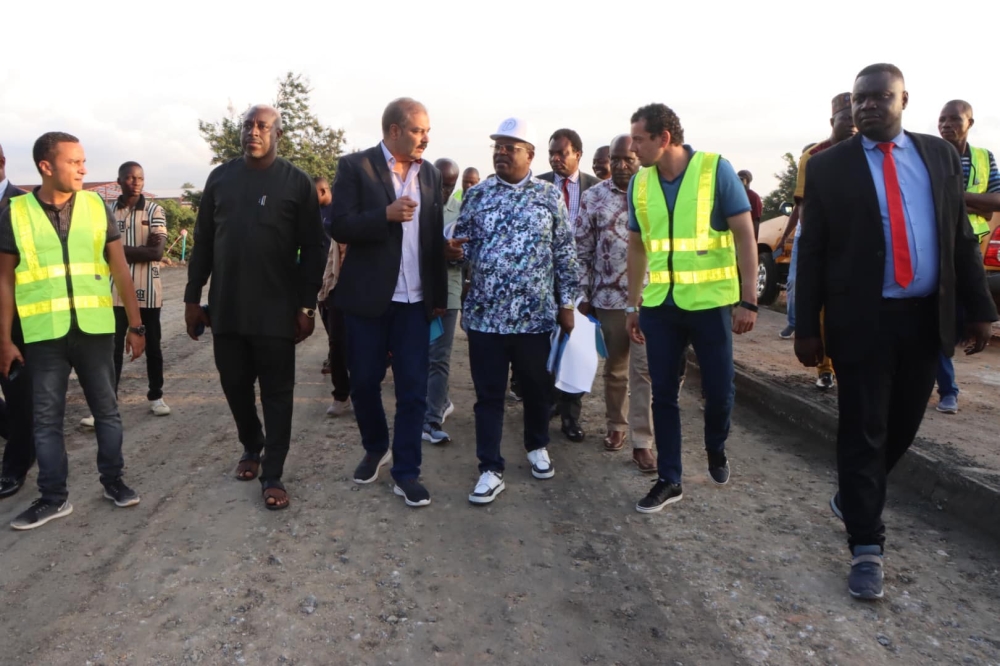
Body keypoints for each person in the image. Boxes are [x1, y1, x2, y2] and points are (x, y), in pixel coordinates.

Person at [795, 64, 998, 600]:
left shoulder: (937, 156)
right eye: (859, 99)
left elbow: (958, 236)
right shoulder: (829, 168)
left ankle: (855, 494)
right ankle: (867, 545)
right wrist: (805, 326)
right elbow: (812, 252)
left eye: (879, 97)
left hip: (925, 318)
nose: (866, 107)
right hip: (861, 321)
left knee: (903, 425)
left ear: (904, 99)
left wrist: (980, 310)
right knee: (862, 429)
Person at [0, 132, 147, 530]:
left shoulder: (96, 206)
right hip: (43, 334)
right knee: (45, 419)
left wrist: (136, 325)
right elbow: (5, 280)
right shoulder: (15, 211)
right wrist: (4, 340)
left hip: (95, 329)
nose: (84, 168)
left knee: (107, 412)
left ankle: (113, 481)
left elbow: (119, 268)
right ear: (46, 167)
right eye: (74, 161)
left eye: (84, 160)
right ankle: (53, 498)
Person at [184, 105, 325, 511]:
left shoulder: (296, 183)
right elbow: (204, 241)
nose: (254, 131)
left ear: (278, 134)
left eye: (263, 126)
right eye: (248, 125)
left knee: (278, 393)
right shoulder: (221, 178)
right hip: (226, 307)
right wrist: (193, 298)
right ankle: (252, 443)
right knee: (234, 386)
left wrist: (307, 306)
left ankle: (274, 472)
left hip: (277, 311)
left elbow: (313, 250)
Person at [625, 103, 759, 514]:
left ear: (664, 138)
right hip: (660, 307)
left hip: (712, 304)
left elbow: (744, 235)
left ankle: (716, 447)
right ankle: (670, 479)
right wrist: (633, 303)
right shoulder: (640, 184)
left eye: (639, 139)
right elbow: (636, 245)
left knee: (719, 391)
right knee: (663, 393)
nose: (633, 147)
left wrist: (749, 299)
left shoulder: (715, 170)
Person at [330, 97, 449, 508]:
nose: (425, 138)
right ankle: (376, 446)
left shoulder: (430, 174)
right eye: (418, 130)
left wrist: (438, 296)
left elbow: (431, 236)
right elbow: (337, 224)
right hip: (368, 300)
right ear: (394, 130)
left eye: (427, 131)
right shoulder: (355, 167)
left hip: (415, 302)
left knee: (413, 390)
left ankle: (406, 472)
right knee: (363, 382)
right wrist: (384, 215)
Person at [456, 117, 578, 505]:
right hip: (486, 319)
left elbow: (564, 252)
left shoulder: (547, 196)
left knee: (537, 389)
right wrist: (453, 252)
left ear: (530, 154)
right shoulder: (477, 195)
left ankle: (537, 445)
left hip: (534, 318)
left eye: (510, 147)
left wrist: (567, 303)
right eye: (497, 146)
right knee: (488, 395)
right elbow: (461, 247)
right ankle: (490, 469)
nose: (500, 152)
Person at [576, 135, 656, 473]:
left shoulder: (655, 193)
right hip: (608, 296)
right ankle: (616, 425)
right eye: (616, 159)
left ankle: (642, 442)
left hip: (650, 297)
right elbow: (581, 249)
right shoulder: (594, 197)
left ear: (639, 159)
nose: (622, 165)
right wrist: (582, 295)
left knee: (644, 371)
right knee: (616, 369)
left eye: (629, 159)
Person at [81, 161, 170, 428]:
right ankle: (106, 406)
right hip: (113, 293)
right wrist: (137, 249)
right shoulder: (105, 210)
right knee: (111, 350)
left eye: (139, 177)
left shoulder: (155, 210)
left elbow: (156, 253)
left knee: (153, 347)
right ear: (119, 180)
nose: (135, 182)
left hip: (148, 292)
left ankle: (156, 396)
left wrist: (116, 250)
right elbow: (95, 249)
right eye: (130, 177)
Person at [934, 100, 1000, 414]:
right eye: (942, 119)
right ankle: (948, 390)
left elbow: (996, 202)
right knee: (937, 320)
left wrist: (957, 198)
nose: (946, 125)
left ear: (969, 123)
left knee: (961, 316)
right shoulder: (927, 154)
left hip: (968, 247)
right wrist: (979, 203)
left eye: (954, 119)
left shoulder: (983, 158)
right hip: (932, 246)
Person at [537, 128, 601, 442]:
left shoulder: (595, 189)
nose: (556, 158)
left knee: (577, 347)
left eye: (562, 153)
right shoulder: (538, 185)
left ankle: (570, 415)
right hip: (543, 280)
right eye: (552, 153)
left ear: (577, 153)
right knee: (545, 345)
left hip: (581, 281)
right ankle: (547, 404)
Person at [778, 93, 857, 342]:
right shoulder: (813, 156)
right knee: (799, 284)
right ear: (833, 121)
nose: (853, 124)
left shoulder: (867, 153)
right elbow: (803, 205)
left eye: (856, 119)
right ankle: (800, 328)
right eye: (846, 118)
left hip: (854, 233)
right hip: (815, 230)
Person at [0, 143, 34, 500]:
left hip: (17, 317)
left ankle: (14, 469)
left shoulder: (24, 205)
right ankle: (27, 435)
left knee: (19, 393)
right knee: (20, 412)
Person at [422, 158, 462, 444]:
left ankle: (431, 421)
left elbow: (469, 254)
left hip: (448, 292)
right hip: (419, 291)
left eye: (449, 186)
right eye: (440, 185)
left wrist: (458, 255)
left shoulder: (461, 213)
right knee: (423, 354)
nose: (444, 192)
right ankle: (442, 400)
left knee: (438, 357)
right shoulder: (416, 206)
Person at [736, 170, 763, 239]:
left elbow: (756, 220)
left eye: (743, 179)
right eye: (739, 178)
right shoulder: (734, 195)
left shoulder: (754, 197)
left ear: (748, 181)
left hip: (746, 235)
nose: (741, 181)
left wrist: (753, 240)